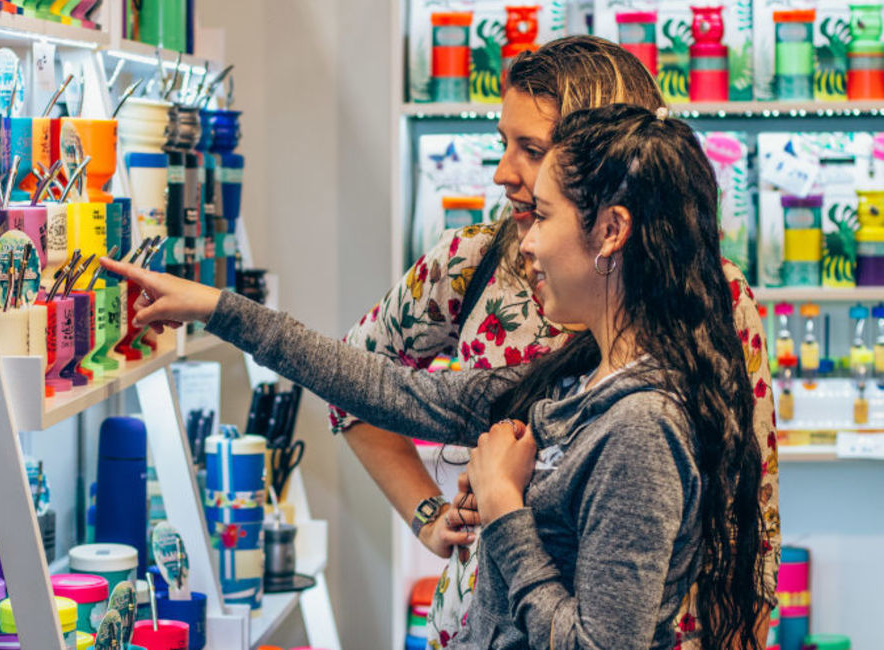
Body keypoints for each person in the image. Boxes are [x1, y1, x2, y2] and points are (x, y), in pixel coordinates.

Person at [100, 103, 768, 648]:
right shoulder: (574, 379)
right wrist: (217, 308)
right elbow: (386, 387)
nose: (526, 240)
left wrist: (503, 505)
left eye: (543, 215)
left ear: (611, 232)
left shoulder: (642, 429)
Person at [327, 36, 779, 649]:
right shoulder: (471, 261)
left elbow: (750, 510)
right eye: (502, 143)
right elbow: (354, 382)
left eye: (531, 149)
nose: (503, 172)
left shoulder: (714, 298)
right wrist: (428, 515)